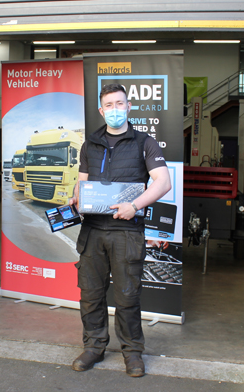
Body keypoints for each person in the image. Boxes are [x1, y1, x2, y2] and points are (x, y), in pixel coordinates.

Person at [69, 83, 171, 377]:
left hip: (126, 232)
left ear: (128, 107)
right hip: (93, 231)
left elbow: (163, 182)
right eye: (109, 105)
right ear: (101, 111)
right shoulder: (90, 144)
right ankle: (94, 347)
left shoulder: (144, 142)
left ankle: (132, 353)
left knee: (127, 297)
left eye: (120, 103)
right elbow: (83, 180)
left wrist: (135, 206)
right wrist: (77, 197)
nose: (115, 109)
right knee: (90, 295)